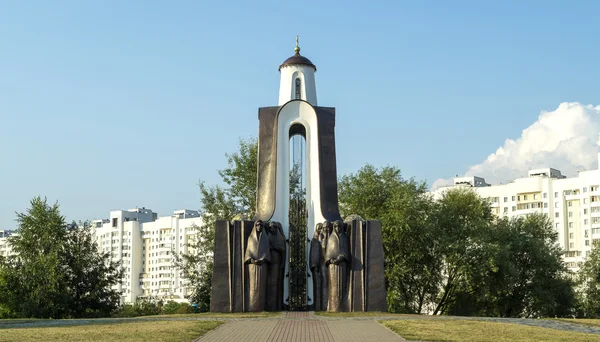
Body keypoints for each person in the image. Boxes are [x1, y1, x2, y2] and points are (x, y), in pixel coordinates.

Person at [244, 220, 271, 311]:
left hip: (263, 265)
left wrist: (263, 259)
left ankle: (261, 306)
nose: (259, 227)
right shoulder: (251, 238)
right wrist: (251, 259)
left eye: (261, 225)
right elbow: (248, 251)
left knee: (262, 285)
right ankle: (252, 306)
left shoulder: (265, 238)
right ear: (255, 226)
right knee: (252, 285)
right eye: (257, 225)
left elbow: (267, 251)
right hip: (252, 265)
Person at [325, 220, 349, 312]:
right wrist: (330, 260)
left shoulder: (345, 237)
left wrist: (343, 256)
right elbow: (328, 252)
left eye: (339, 227)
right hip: (332, 266)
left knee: (342, 286)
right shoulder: (331, 238)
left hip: (342, 265)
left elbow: (346, 250)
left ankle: (342, 306)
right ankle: (333, 307)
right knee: (333, 286)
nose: (337, 228)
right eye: (335, 227)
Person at [266, 221, 285, 310]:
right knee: (269, 283)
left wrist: (276, 247)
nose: (272, 229)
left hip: (276, 262)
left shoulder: (280, 238)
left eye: (273, 227)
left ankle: (275, 305)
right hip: (269, 262)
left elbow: (282, 249)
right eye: (270, 227)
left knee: (275, 283)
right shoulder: (267, 236)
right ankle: (269, 305)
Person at [310, 223, 324, 310]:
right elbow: (314, 253)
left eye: (321, 229)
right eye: (318, 229)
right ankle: (318, 306)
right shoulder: (314, 241)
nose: (320, 231)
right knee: (317, 286)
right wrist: (315, 265)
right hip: (316, 266)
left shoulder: (321, 240)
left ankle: (321, 305)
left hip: (322, 265)